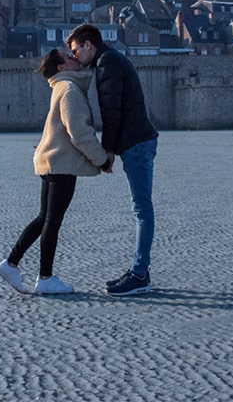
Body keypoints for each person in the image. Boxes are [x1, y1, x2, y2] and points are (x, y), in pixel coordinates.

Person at [0, 48, 109, 295]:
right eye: (69, 58)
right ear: (61, 68)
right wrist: (101, 159)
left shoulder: (61, 87)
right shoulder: (69, 90)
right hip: (61, 164)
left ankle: (11, 263)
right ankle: (45, 277)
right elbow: (79, 133)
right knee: (52, 222)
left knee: (43, 218)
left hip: (49, 162)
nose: (74, 57)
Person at [67, 23, 159, 296]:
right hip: (137, 141)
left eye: (75, 50)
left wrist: (107, 151)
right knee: (140, 209)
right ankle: (140, 270)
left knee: (142, 210)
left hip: (136, 143)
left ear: (88, 45)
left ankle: (139, 275)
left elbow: (111, 111)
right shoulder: (110, 61)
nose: (74, 57)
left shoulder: (108, 64)